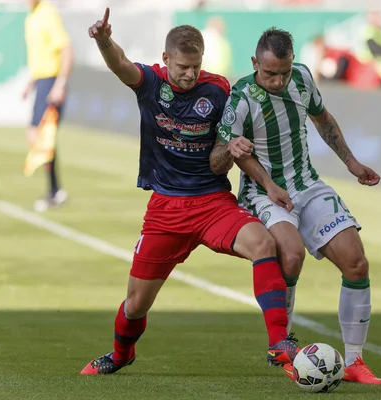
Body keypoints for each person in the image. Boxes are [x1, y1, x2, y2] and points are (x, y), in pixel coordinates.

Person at [80, 9, 299, 375]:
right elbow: (119, 64)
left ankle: (279, 343)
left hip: (212, 203)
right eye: (182, 66)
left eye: (196, 65)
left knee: (263, 243)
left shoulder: (218, 89)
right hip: (165, 208)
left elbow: (223, 152)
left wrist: (232, 150)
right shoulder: (150, 82)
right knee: (135, 305)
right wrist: (103, 40)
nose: (190, 73)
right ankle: (121, 355)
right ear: (166, 60)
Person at [210, 27, 381, 385]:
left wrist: (351, 162)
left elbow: (323, 120)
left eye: (284, 73)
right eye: (270, 73)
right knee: (291, 254)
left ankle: (354, 361)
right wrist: (261, 177)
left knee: (356, 262)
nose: (277, 81)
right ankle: (283, 347)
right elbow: (219, 157)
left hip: (307, 185)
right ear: (255, 63)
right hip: (263, 192)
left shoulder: (303, 77)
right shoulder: (241, 96)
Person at [22, 0, 73, 212]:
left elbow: (67, 50)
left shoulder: (48, 14)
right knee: (39, 137)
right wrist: (31, 83)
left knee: (41, 136)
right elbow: (40, 56)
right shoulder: (31, 16)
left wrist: (60, 84)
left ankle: (55, 191)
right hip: (41, 81)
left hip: (51, 82)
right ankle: (55, 190)